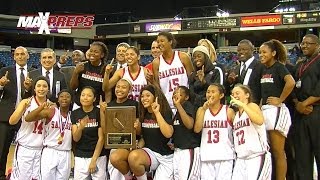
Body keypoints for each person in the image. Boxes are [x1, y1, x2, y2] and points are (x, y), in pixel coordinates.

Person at [259, 39, 295, 180]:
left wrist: (280, 99)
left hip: (276, 111)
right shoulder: (263, 69)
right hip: (266, 111)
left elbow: (290, 82)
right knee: (270, 151)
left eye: (264, 52)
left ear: (273, 53)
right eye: (260, 52)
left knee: (278, 151)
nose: (261, 55)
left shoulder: (279, 67)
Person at [9, 76, 52, 180]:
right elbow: (12, 121)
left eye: (44, 86)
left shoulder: (52, 106)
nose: (41, 89)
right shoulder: (26, 102)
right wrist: (22, 108)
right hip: (25, 147)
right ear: (34, 88)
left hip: (42, 149)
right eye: (39, 86)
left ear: (48, 89)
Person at [127, 85, 174, 180]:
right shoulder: (143, 114)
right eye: (142, 96)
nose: (144, 98)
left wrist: (157, 113)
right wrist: (137, 146)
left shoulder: (165, 112)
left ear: (155, 97)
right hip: (151, 154)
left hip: (166, 156)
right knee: (133, 156)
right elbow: (145, 137)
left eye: (147, 95)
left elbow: (168, 134)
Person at [26, 89, 73, 180]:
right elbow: (28, 118)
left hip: (65, 152)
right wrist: (41, 107)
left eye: (67, 96)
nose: (64, 99)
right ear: (58, 99)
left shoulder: (73, 115)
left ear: (71, 100)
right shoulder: (51, 111)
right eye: (61, 96)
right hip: (50, 151)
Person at [0, 46, 31, 179]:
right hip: (6, 116)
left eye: (22, 54)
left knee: (26, 149)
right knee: (2, 149)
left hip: (27, 117)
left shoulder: (34, 73)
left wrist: (29, 89)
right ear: (14, 57)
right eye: (17, 54)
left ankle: (21, 175)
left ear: (27, 56)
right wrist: (0, 85)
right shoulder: (4, 71)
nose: (20, 56)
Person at [292, 34, 320, 180]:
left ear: (317, 45)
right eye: (302, 43)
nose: (304, 46)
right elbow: (293, 87)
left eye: (308, 43)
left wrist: (306, 103)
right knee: (302, 155)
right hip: (301, 113)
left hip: (316, 111)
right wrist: (298, 104)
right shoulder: (300, 65)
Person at [230, 84, 272, 180]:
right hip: (241, 159)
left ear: (247, 95)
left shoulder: (252, 106)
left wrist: (243, 105)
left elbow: (260, 121)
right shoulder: (236, 116)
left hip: (257, 156)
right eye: (232, 94)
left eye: (237, 93)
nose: (234, 95)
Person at [194, 83, 235, 180]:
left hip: (225, 156)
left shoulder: (228, 110)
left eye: (213, 92)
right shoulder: (201, 110)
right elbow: (197, 129)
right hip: (207, 155)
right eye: (208, 92)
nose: (210, 94)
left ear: (221, 95)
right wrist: (204, 109)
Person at [71, 86, 107, 179]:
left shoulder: (98, 112)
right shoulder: (75, 113)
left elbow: (101, 138)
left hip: (98, 156)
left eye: (89, 95)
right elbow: (75, 138)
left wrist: (94, 160)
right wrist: (80, 128)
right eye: (83, 95)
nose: (85, 97)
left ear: (94, 98)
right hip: (81, 155)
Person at [152, 32, 194, 110]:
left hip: (185, 104)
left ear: (170, 42)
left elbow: (192, 80)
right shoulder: (156, 62)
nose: (159, 44)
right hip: (167, 105)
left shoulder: (183, 57)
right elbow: (158, 87)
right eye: (158, 42)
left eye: (162, 41)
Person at [108, 79, 140, 180]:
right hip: (115, 142)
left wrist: (137, 127)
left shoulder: (135, 104)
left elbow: (139, 129)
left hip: (132, 143)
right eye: (118, 86)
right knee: (114, 171)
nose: (120, 89)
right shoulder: (109, 105)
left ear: (130, 91)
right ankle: (128, 176)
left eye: (124, 87)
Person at [172, 86, 200, 180]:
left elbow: (189, 125)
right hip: (178, 151)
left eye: (179, 93)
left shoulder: (187, 106)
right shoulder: (177, 113)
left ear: (186, 97)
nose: (175, 95)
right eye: (174, 93)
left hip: (188, 150)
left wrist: (179, 105)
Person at [70, 41, 108, 109]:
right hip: (79, 104)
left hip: (97, 105)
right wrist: (75, 72)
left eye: (96, 52)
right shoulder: (82, 65)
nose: (92, 54)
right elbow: (73, 87)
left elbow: (107, 90)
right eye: (91, 51)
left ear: (102, 55)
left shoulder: (106, 69)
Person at [226, 39, 264, 104]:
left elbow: (263, 89)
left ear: (252, 50)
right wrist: (230, 82)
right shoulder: (234, 69)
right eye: (239, 50)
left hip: (254, 107)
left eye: (244, 49)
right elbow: (228, 92)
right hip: (238, 107)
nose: (241, 52)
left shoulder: (260, 66)